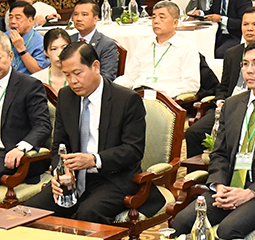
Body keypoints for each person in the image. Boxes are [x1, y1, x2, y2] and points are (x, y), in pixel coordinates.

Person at [172, 39, 255, 240]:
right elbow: (218, 153)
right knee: (182, 221)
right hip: (227, 188)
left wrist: (250, 192)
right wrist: (219, 186)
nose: (249, 70)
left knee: (228, 230)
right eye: (245, 64)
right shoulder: (233, 104)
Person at [24, 42, 165, 224]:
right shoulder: (66, 97)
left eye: (77, 73)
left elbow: (133, 150)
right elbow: (59, 146)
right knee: (30, 212)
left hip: (114, 178)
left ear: (95, 67)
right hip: (74, 178)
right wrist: (60, 173)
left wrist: (94, 159)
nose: (73, 81)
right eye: (67, 75)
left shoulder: (126, 100)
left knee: (88, 214)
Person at [184, 6, 255, 158]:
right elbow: (224, 86)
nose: (249, 29)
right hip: (227, 108)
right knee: (194, 132)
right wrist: (220, 101)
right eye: (245, 24)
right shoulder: (232, 53)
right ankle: (197, 179)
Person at [0, 30, 51, 204]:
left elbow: (43, 125)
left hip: (8, 153)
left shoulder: (29, 86)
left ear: (10, 56)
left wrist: (21, 148)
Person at [114, 1, 200, 98]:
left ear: (175, 23)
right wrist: (111, 86)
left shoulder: (186, 48)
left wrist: (165, 95)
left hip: (166, 100)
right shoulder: (143, 45)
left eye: (162, 17)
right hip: (138, 96)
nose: (156, 21)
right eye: (154, 17)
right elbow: (129, 77)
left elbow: (191, 84)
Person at [70, 0, 119, 81]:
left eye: (84, 15)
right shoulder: (68, 40)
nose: (78, 19)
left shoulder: (107, 45)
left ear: (95, 19)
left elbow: (107, 78)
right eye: (76, 14)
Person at [185, 0, 252, 58]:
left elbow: (243, 22)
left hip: (234, 35)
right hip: (217, 34)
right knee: (199, 48)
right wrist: (200, 13)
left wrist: (221, 19)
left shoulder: (243, 1)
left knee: (220, 53)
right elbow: (212, 12)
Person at [7, 1, 50, 75]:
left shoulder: (40, 42)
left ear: (30, 21)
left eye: (17, 18)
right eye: (10, 17)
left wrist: (22, 49)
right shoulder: (3, 38)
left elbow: (39, 72)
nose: (13, 21)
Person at [31, 28, 70, 93]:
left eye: (64, 47)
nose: (59, 53)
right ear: (46, 52)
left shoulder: (79, 79)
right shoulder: (35, 80)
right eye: (54, 49)